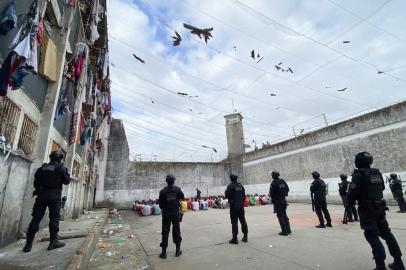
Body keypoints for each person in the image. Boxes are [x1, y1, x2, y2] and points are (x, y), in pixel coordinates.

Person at [348, 152, 405, 270]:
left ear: (357, 162)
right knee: (387, 234)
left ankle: (380, 265)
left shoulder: (358, 175)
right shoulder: (376, 172)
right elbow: (382, 187)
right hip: (379, 207)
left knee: (371, 235)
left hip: (367, 209)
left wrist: (350, 201)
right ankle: (398, 262)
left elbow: (352, 192)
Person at [23, 151, 71, 252]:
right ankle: (53, 242)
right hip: (54, 196)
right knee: (54, 218)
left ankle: (28, 244)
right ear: (60, 159)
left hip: (41, 195)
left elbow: (36, 183)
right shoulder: (60, 168)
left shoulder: (42, 168)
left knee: (35, 219)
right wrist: (64, 170)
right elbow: (67, 181)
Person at [158, 174, 185, 259]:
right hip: (176, 213)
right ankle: (177, 251)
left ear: (166, 181)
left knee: (165, 232)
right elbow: (182, 197)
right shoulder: (178, 189)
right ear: (174, 180)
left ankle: (164, 253)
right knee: (177, 231)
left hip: (166, 214)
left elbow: (161, 205)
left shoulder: (162, 192)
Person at [225, 174, 248, 244]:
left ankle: (235, 239)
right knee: (243, 220)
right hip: (241, 206)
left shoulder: (230, 186)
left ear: (231, 179)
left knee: (234, 222)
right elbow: (244, 196)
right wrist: (241, 203)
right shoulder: (241, 186)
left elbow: (226, 195)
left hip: (234, 206)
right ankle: (245, 236)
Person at [269, 170, 291, 236]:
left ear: (273, 176)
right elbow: (287, 189)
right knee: (284, 215)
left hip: (277, 201)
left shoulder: (273, 183)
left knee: (280, 216)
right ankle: (288, 230)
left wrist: (274, 198)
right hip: (283, 200)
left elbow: (271, 193)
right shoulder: (282, 181)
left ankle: (284, 231)